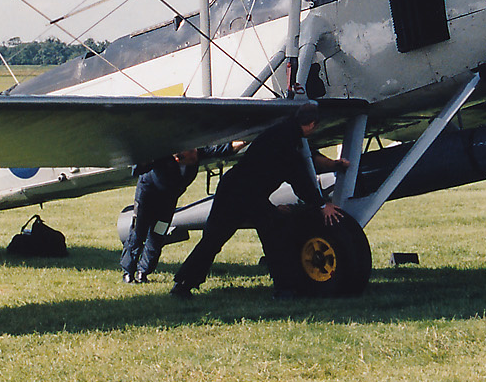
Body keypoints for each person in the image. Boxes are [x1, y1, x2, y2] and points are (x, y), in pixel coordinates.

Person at [171, 101, 347, 298]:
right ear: (312, 124)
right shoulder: (286, 142)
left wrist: (335, 164)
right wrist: (322, 205)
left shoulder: (283, 132)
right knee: (275, 235)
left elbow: (307, 158)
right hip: (244, 194)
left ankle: (183, 284)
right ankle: (285, 289)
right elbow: (300, 178)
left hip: (237, 189)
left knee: (213, 239)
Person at [120, 149, 203, 283]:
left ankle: (143, 272)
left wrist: (242, 142)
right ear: (179, 158)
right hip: (147, 196)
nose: (196, 155)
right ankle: (128, 272)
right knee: (138, 232)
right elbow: (137, 169)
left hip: (168, 202)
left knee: (158, 234)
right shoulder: (161, 158)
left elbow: (222, 149)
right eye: (192, 154)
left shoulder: (195, 155)